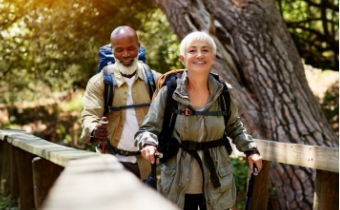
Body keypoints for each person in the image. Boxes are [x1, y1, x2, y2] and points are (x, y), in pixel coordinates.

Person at [134, 31, 263, 210]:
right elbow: (147, 129)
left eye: (205, 50)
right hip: (178, 183)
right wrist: (148, 143)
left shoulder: (224, 92)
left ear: (213, 57)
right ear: (182, 58)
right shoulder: (170, 92)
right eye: (192, 50)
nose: (199, 55)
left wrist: (250, 150)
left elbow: (234, 126)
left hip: (217, 183)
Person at [80, 26, 162, 181]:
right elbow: (89, 116)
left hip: (147, 166)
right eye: (119, 50)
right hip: (112, 164)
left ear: (138, 47)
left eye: (131, 49)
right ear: (112, 50)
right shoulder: (99, 83)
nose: (125, 55)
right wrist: (94, 130)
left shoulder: (155, 80)